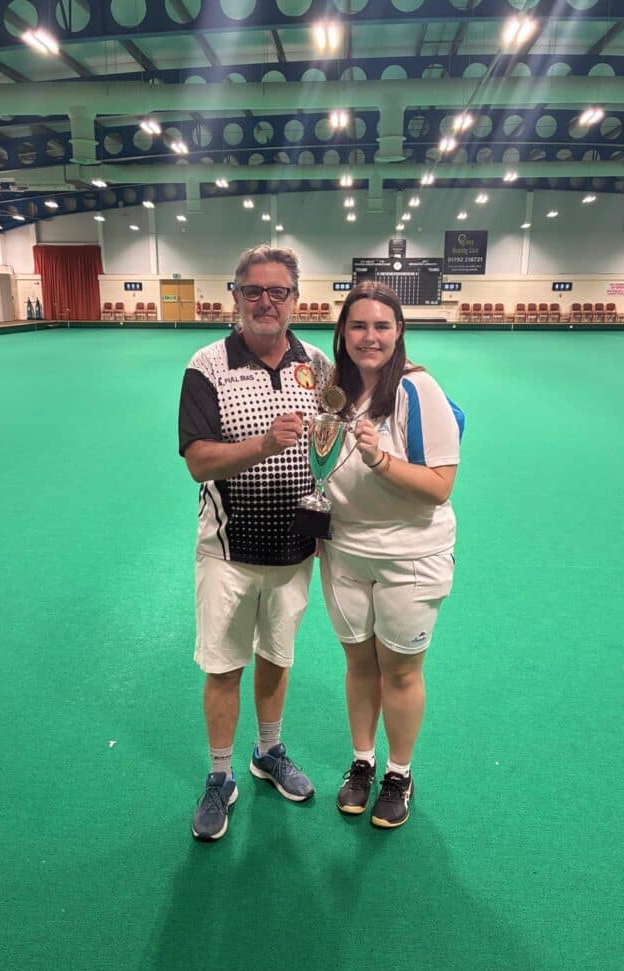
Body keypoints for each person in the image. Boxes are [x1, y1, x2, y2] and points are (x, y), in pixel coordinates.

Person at [178, 245, 332, 841]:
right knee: (224, 667)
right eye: (253, 291)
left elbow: (334, 444)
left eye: (278, 291)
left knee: (277, 656)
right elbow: (198, 461)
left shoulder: (317, 364)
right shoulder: (207, 365)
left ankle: (268, 752)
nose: (266, 302)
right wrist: (265, 445)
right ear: (235, 296)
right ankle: (219, 775)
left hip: (295, 551)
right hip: (228, 550)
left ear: (295, 298)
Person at [318, 281, 464, 829]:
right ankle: (362, 762)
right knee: (359, 664)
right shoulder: (332, 391)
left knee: (400, 671)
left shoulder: (418, 389)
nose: (370, 337)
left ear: (399, 331)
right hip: (344, 551)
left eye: (382, 326)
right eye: (358, 325)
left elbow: (440, 486)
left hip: (411, 554)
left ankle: (399, 773)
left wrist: (380, 461)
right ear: (343, 332)